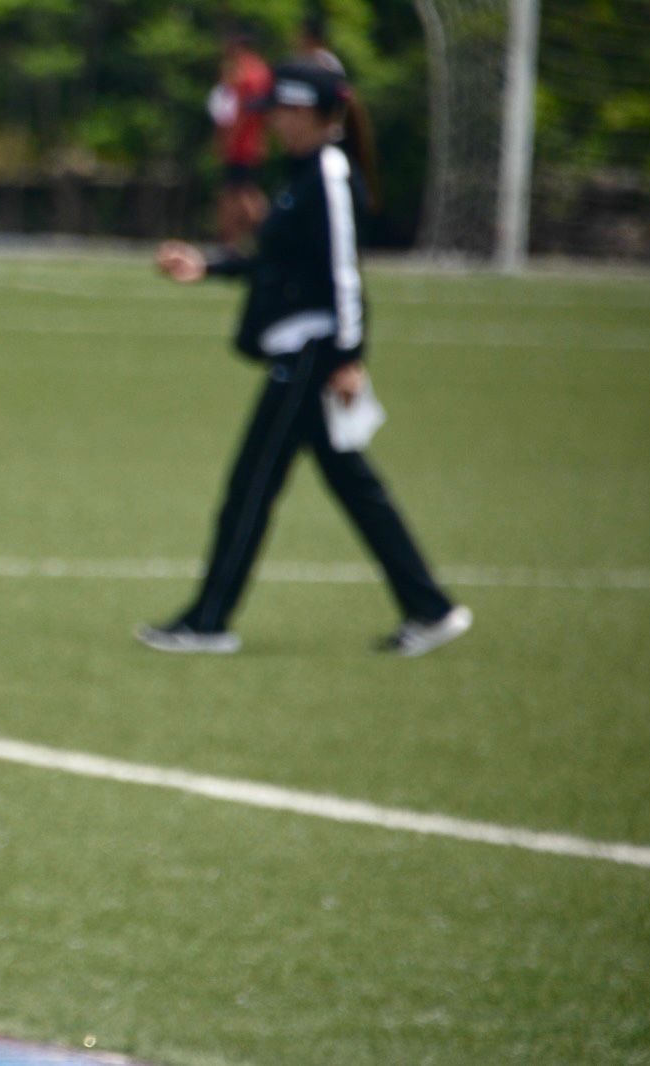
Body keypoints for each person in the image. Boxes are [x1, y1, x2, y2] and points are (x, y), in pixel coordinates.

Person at [137, 62, 472, 657]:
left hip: (312, 356)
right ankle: (429, 607)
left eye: (289, 112)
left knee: (252, 486)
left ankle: (209, 621)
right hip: (304, 351)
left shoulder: (330, 174)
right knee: (353, 486)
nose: (279, 124)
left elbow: (345, 275)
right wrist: (208, 266)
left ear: (321, 114)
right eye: (277, 113)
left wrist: (348, 356)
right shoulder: (303, 176)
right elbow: (278, 261)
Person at [208, 31, 274, 251]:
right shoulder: (261, 70)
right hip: (254, 142)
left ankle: (239, 239)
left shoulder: (243, 73)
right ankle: (237, 240)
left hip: (241, 145)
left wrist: (226, 139)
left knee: (237, 194)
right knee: (244, 192)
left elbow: (239, 112)